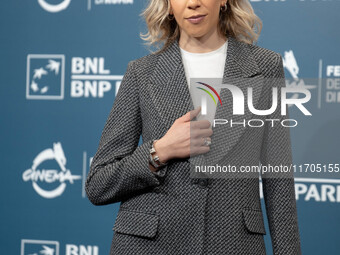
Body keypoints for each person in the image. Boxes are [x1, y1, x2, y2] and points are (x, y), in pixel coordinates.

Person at [85, 0, 302, 254]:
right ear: (167, 5)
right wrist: (159, 152)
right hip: (149, 245)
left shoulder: (266, 66)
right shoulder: (141, 73)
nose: (193, 3)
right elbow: (98, 183)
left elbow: (279, 182)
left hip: (232, 243)